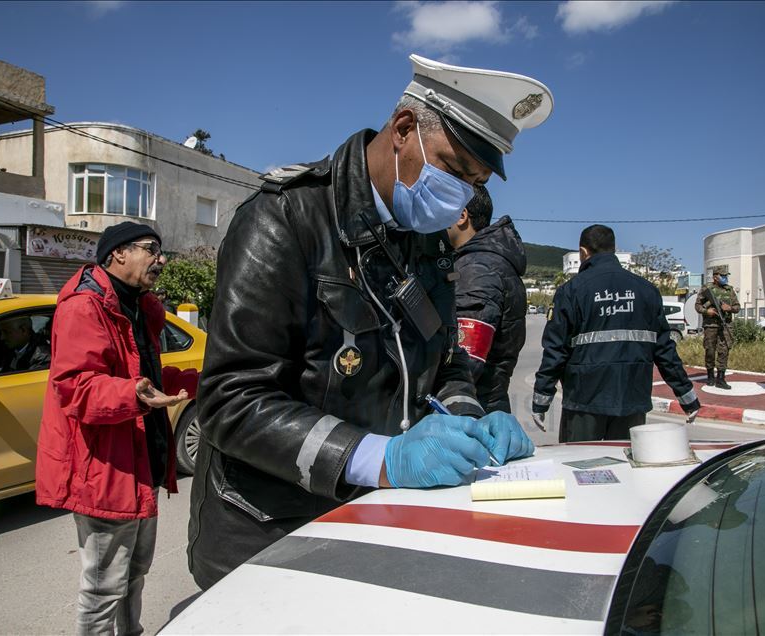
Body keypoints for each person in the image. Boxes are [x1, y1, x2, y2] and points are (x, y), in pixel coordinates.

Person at [188, 54, 551, 590]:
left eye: (473, 184)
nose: (460, 199)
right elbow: (231, 401)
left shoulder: (424, 240)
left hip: (374, 523)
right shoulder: (284, 220)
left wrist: (467, 417)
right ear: (404, 130)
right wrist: (380, 458)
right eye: (454, 171)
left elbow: (444, 358)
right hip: (267, 534)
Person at [35, 221, 200, 635]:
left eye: (161, 251)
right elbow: (76, 388)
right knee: (103, 588)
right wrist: (137, 395)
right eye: (151, 249)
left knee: (134, 575)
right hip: (105, 469)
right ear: (117, 254)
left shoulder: (140, 307)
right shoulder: (84, 307)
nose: (160, 260)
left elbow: (146, 373)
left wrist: (200, 381)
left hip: (140, 464)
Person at [531, 225, 700, 441]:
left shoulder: (572, 291)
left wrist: (541, 401)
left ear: (583, 252)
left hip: (584, 402)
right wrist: (686, 396)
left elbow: (555, 351)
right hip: (632, 400)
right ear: (613, 250)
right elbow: (665, 349)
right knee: (624, 468)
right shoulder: (646, 290)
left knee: (580, 467)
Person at [446, 184, 527, 413]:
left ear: (462, 216)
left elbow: (465, 364)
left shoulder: (477, 269)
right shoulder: (484, 262)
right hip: (484, 405)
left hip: (471, 410)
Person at [694, 266, 739, 389]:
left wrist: (729, 308)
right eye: (722, 275)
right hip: (710, 325)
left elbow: (737, 307)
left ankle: (721, 378)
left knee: (724, 350)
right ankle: (710, 375)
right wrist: (706, 311)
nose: (725, 278)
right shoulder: (707, 288)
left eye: (726, 276)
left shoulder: (729, 290)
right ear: (715, 276)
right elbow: (697, 306)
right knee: (709, 350)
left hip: (725, 324)